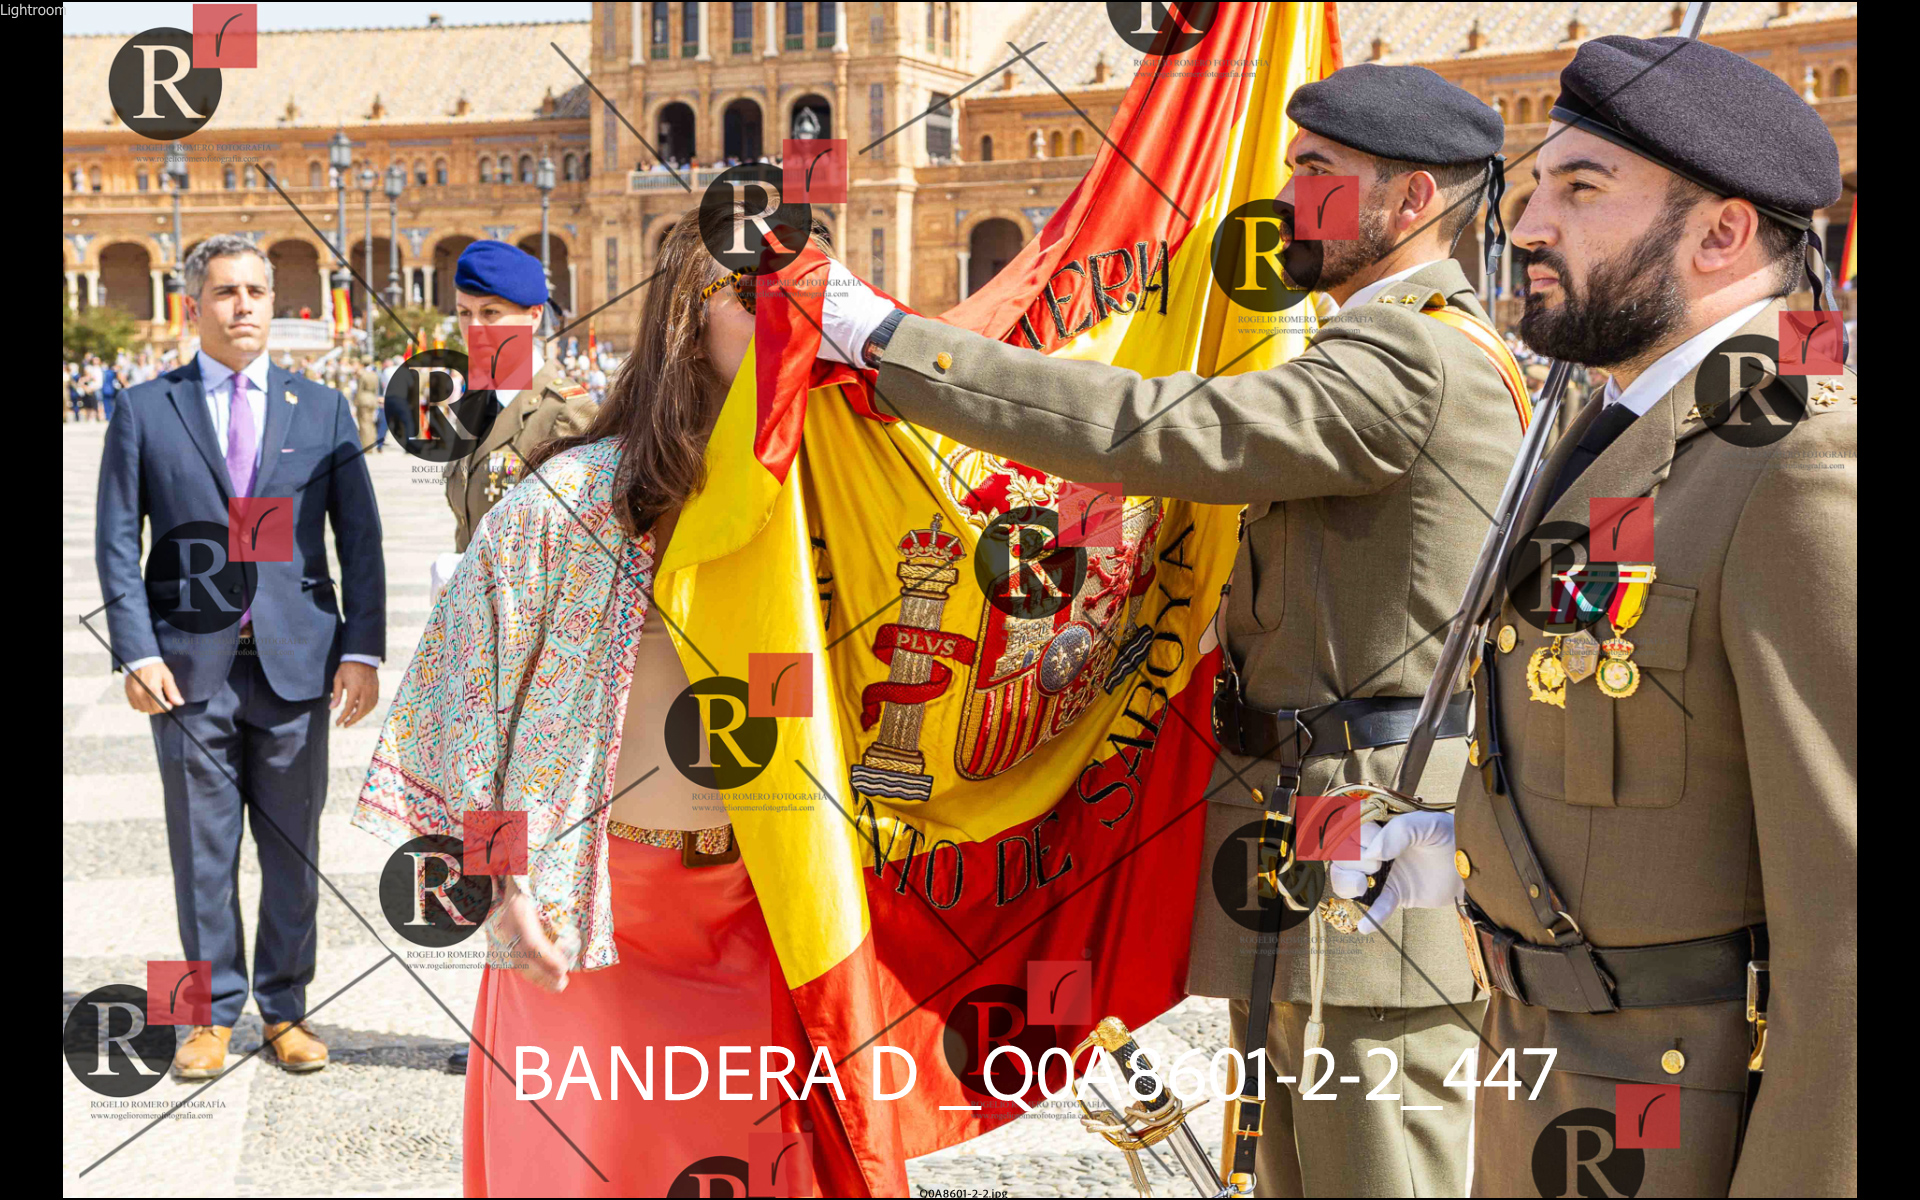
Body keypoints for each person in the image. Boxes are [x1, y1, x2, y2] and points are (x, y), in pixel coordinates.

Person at [821, 63, 1531, 1199]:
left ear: (1410, 202)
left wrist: (895, 343)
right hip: (1315, 810)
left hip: (1369, 822)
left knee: (1377, 1169)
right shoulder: (1384, 344)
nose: (1285, 199)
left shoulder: (1415, 356)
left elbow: (1165, 427)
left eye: (1317, 173)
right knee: (1302, 1170)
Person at [1450, 36, 1856, 1196]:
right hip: (1553, 1075)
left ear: (1720, 235)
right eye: (1534, 187)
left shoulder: (1799, 458)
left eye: (1580, 190)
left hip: (1687, 1118)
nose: (1528, 225)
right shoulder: (1634, 426)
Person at [352, 210, 795, 1195]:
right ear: (686, 315)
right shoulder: (569, 499)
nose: (790, 310)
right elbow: (468, 715)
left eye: (807, 288)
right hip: (590, 915)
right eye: (753, 291)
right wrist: (500, 885)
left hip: (769, 910)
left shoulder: (823, 504)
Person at [95, 234, 387, 1081]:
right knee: (200, 851)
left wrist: (362, 648)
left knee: (293, 851)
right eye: (227, 292)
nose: (246, 305)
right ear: (194, 306)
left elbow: (359, 539)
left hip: (297, 664)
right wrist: (136, 652)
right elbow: (117, 544)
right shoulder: (146, 409)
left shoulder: (320, 408)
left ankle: (286, 1009)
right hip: (189, 670)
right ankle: (206, 1017)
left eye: (257, 290)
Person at [440, 240, 596, 556]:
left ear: (534, 316)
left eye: (491, 312)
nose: (474, 328)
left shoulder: (565, 411)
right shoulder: (476, 401)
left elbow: (588, 543)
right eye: (464, 313)